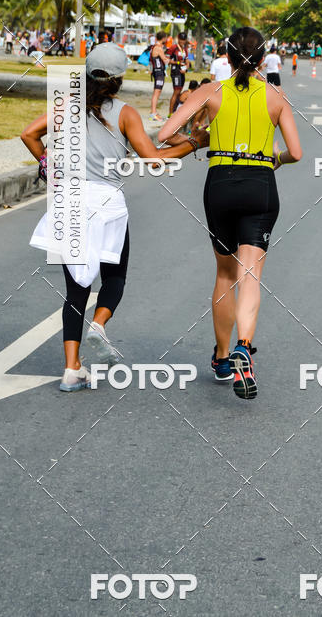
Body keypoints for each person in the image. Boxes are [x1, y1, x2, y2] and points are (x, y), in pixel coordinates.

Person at [22, 43, 208, 392]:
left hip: (69, 202)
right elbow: (153, 158)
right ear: (120, 78)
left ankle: (71, 369)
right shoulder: (125, 113)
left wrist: (49, 163)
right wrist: (195, 143)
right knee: (115, 277)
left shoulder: (67, 106)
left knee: (75, 291)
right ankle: (100, 325)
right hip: (106, 205)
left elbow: (28, 133)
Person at [158, 27, 302, 400]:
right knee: (250, 274)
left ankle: (222, 359)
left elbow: (165, 134)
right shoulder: (275, 95)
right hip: (260, 183)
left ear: (227, 56)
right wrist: (277, 159)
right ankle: (243, 345)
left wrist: (199, 138)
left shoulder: (210, 91)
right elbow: (297, 153)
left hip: (220, 181)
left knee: (225, 273)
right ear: (262, 58)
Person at [149, 30, 169, 122]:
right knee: (156, 93)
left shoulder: (155, 47)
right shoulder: (158, 48)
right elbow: (165, 60)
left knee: (157, 92)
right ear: (164, 38)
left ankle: (154, 112)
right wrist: (169, 59)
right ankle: (153, 113)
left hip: (157, 72)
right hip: (159, 72)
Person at [168, 31, 190, 115]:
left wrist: (186, 68)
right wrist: (177, 63)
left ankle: (175, 111)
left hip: (182, 72)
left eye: (184, 40)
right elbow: (167, 60)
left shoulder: (185, 49)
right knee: (176, 92)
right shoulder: (173, 47)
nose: (182, 42)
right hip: (175, 71)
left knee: (179, 91)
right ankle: (170, 113)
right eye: (181, 40)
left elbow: (187, 61)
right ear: (178, 39)